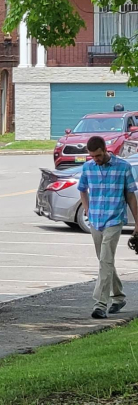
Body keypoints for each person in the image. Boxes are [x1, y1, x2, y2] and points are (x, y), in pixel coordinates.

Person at [78, 135, 138, 319]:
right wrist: (87, 208)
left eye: (98, 155)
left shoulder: (123, 167)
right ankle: (119, 297)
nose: (95, 159)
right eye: (92, 156)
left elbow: (130, 197)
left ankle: (100, 304)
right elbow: (82, 188)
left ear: (105, 150)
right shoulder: (88, 167)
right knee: (105, 261)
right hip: (95, 220)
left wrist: (137, 223)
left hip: (114, 220)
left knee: (105, 259)